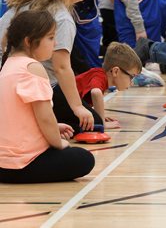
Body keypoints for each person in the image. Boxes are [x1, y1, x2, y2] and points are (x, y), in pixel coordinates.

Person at [1, 0, 98, 132]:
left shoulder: (28, 3)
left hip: (7, 80)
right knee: (93, 125)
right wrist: (77, 107)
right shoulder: (62, 18)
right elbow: (61, 67)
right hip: (31, 86)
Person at [0, 10, 95, 184]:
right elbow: (44, 118)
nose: (56, 43)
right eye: (50, 38)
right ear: (29, 41)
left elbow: (15, 117)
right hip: (22, 164)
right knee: (84, 158)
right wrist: (58, 143)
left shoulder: (8, 65)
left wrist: (54, 126)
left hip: (2, 164)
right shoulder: (32, 67)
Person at [75, 42, 142, 130]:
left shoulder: (99, 75)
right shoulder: (100, 76)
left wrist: (97, 115)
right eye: (132, 76)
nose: (132, 83)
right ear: (115, 71)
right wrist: (101, 122)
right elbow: (96, 92)